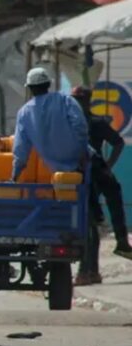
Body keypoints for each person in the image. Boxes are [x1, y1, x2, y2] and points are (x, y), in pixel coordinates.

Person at [71, 86, 132, 284]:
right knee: (89, 223)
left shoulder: (94, 122)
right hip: (75, 176)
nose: (78, 104)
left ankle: (120, 240)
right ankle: (90, 269)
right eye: (76, 100)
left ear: (88, 101)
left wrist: (108, 165)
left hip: (93, 172)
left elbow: (118, 142)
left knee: (94, 218)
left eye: (81, 100)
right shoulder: (69, 123)